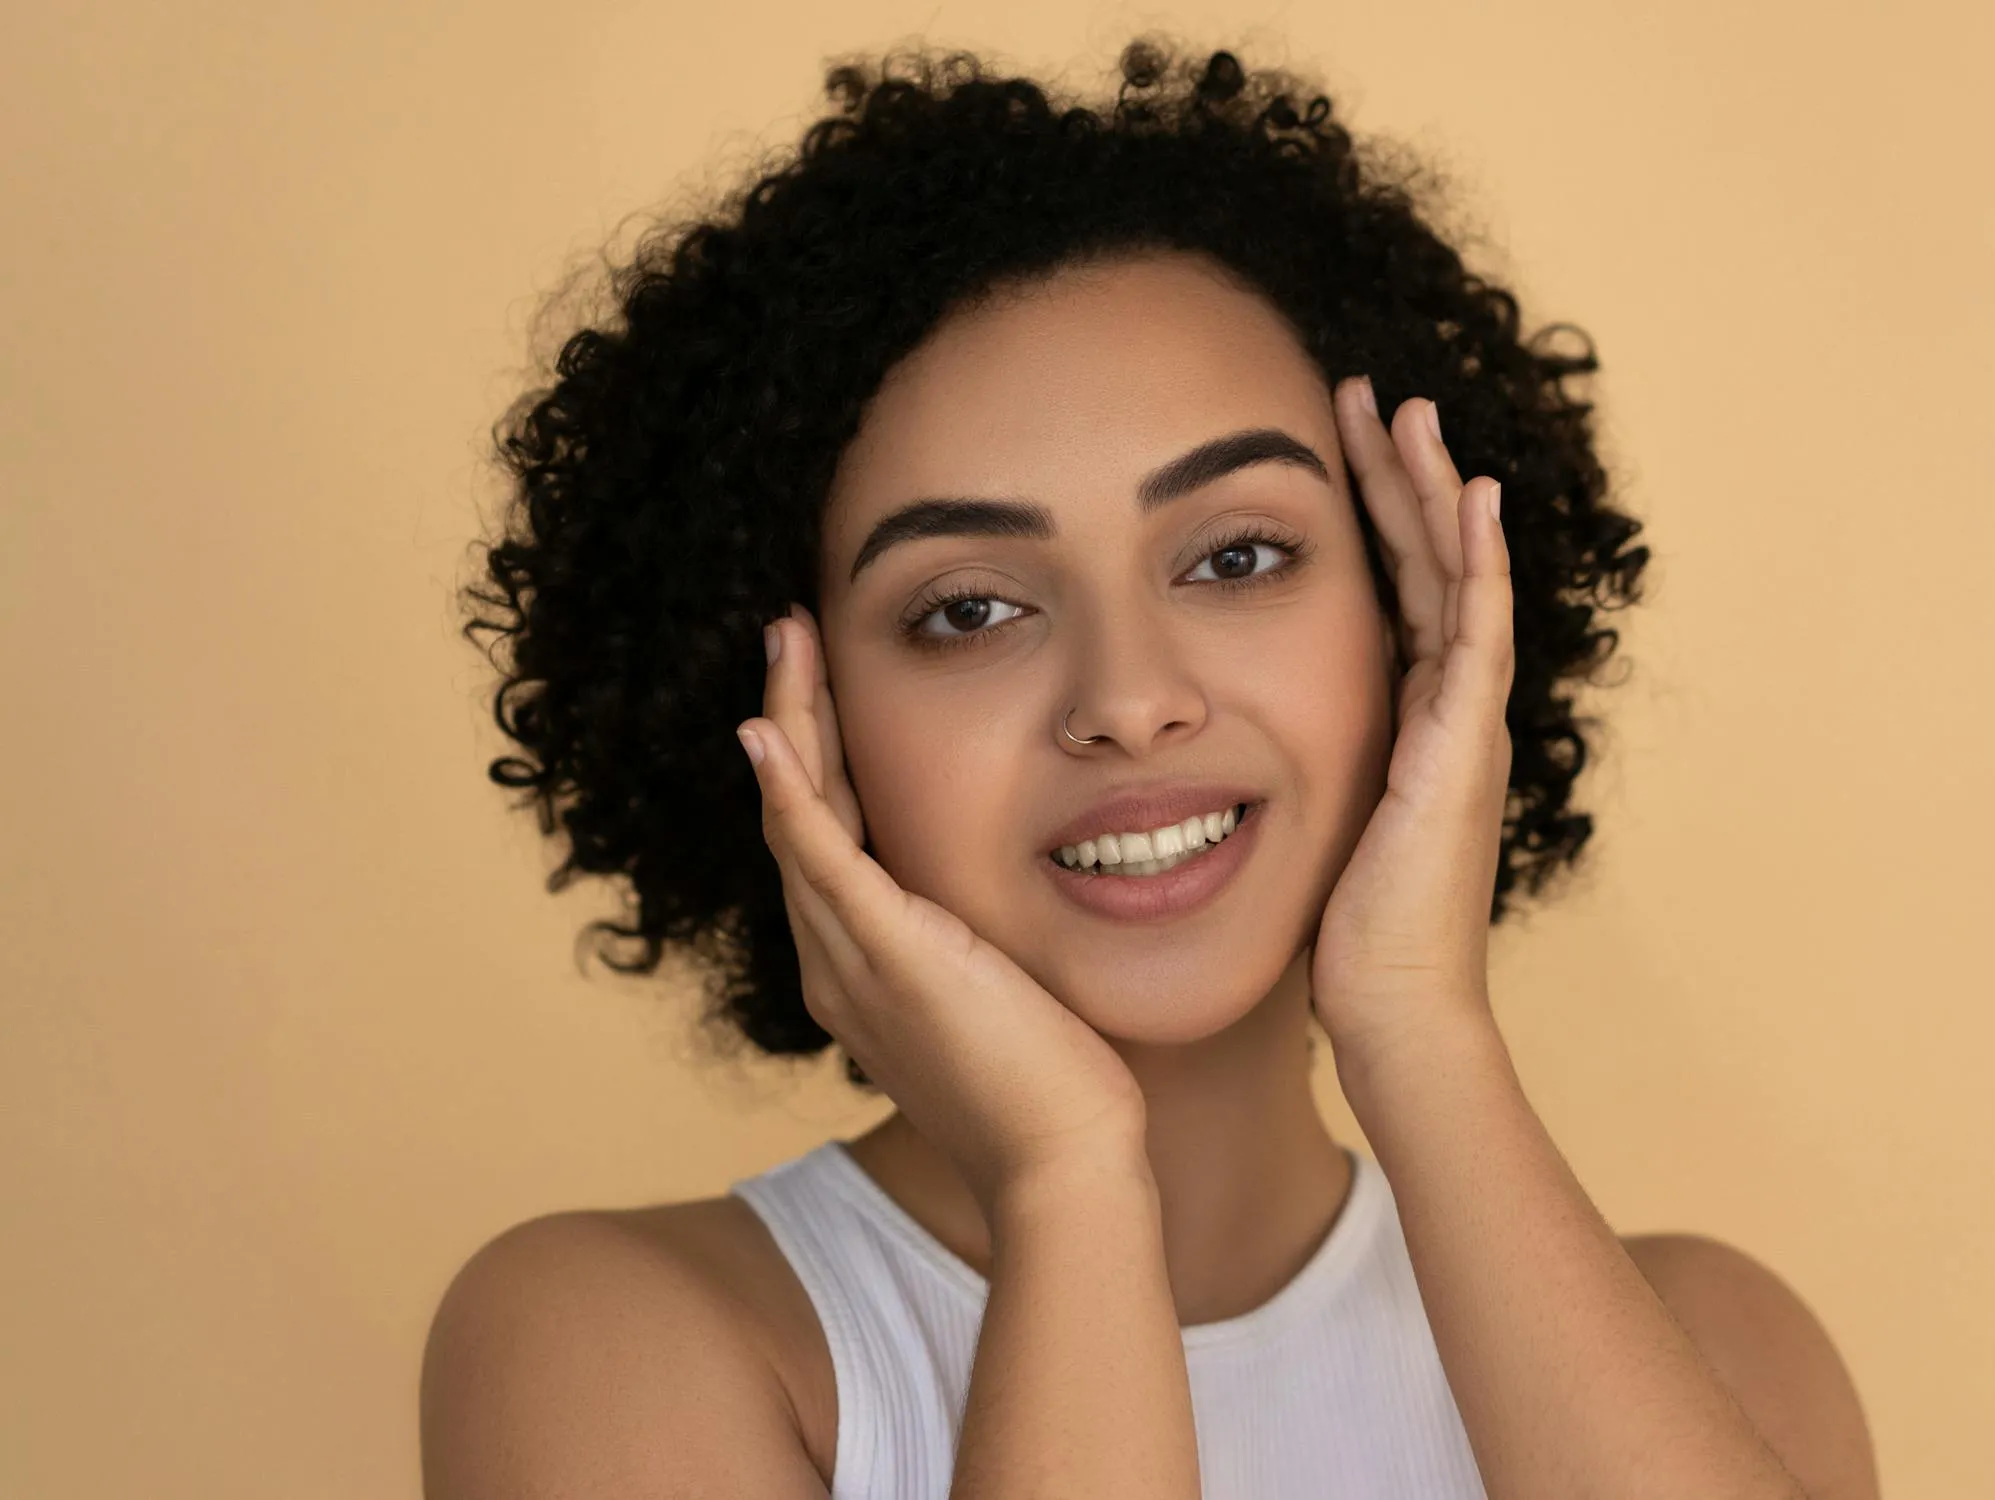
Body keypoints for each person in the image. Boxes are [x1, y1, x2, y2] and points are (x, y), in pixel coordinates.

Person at [421, 37, 1880, 1500]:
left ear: (1412, 618)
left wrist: (1420, 1031)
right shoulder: (620, 1348)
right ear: (792, 713)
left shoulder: (1722, 1355)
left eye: (1237, 556)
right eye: (968, 609)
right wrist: (1066, 1183)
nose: (1127, 701)